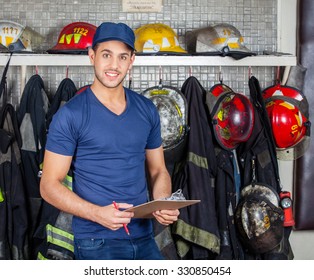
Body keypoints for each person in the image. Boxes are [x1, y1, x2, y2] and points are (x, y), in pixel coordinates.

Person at [40, 22, 180, 260]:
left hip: (144, 236)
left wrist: (163, 202)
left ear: (131, 60)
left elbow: (158, 171)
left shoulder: (147, 110)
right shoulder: (71, 115)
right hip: (96, 240)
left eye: (122, 57)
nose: (114, 65)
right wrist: (97, 214)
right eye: (106, 55)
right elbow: (49, 186)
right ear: (92, 56)